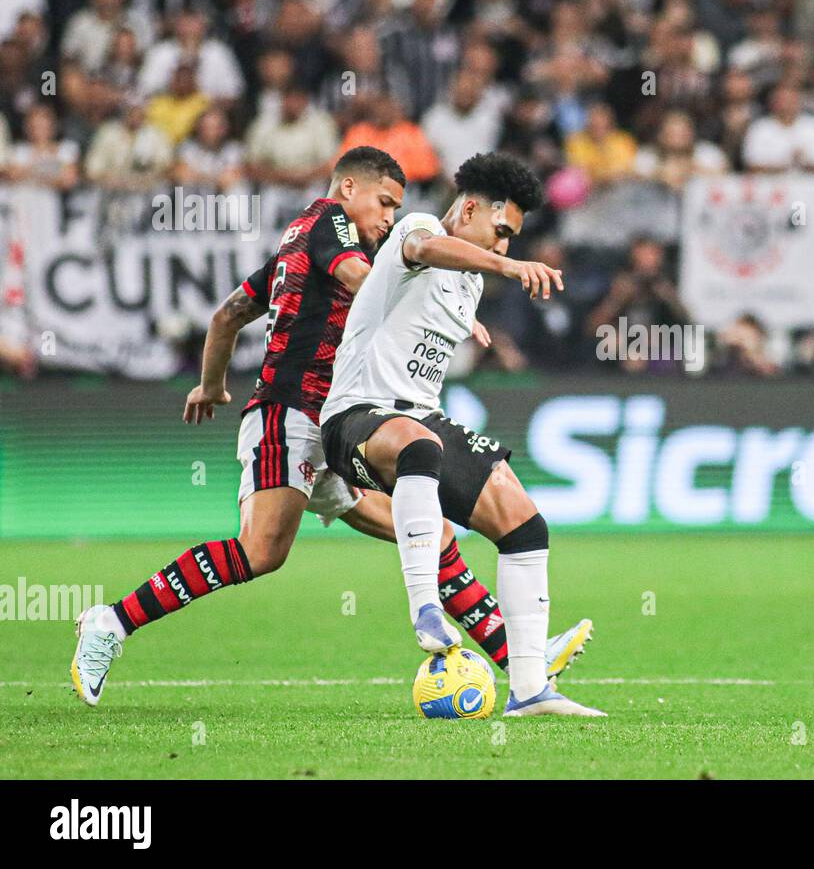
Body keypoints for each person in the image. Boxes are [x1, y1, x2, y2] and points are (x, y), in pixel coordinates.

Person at [70, 146, 590, 706]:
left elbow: (228, 316)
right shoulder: (324, 226)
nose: (389, 216)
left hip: (345, 420)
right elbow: (366, 281)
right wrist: (433, 292)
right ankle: (111, 624)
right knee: (261, 551)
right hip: (292, 411)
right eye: (384, 202)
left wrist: (212, 384)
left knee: (429, 531)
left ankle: (520, 660)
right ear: (347, 189)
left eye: (397, 206)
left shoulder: (299, 256)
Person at [319, 152, 603, 717]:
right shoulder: (418, 227)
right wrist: (508, 268)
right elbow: (424, 253)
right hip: (355, 419)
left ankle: (529, 690)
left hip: (418, 419)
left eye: (511, 241)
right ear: (469, 208)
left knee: (524, 524)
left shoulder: (468, 281)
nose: (503, 247)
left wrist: (471, 305)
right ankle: (426, 607)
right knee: (418, 445)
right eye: (501, 232)